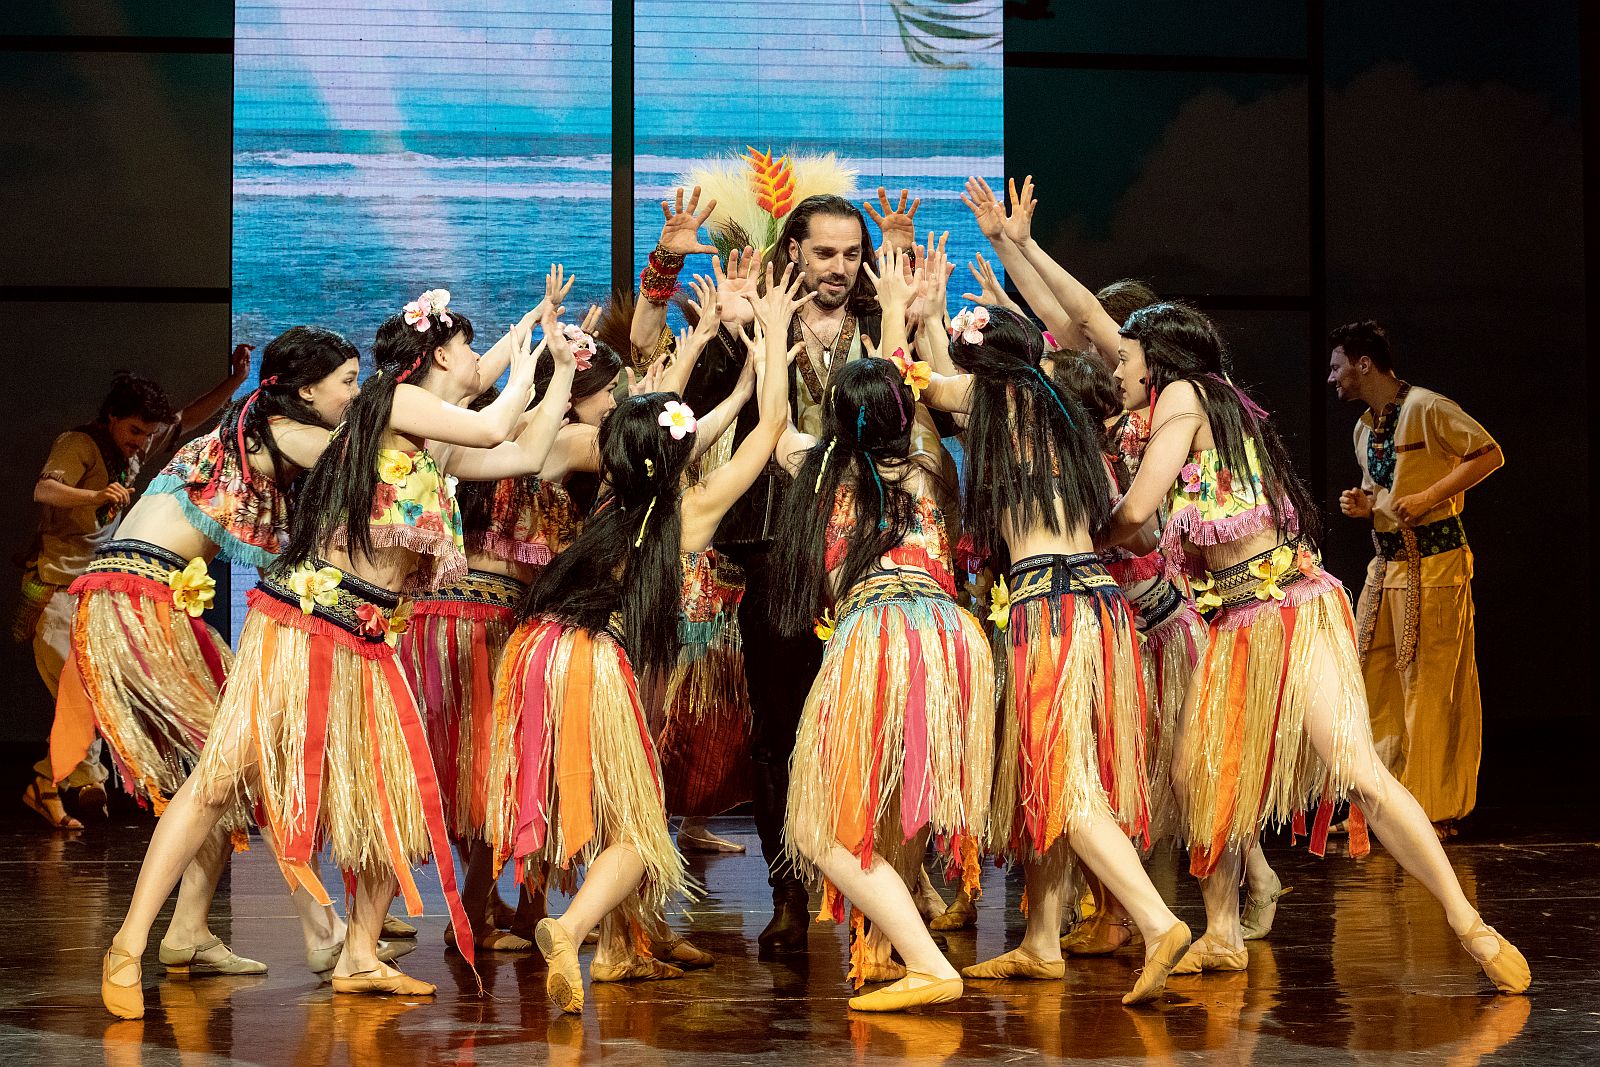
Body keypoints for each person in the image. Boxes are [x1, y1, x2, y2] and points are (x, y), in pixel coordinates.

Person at [100, 287, 574, 1019]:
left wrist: (556, 361)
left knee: (390, 794)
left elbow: (526, 447)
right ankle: (128, 944)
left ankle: (358, 956)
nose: (478, 360)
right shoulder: (392, 401)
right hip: (302, 623)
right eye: (468, 348)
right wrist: (532, 347)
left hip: (368, 634)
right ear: (437, 355)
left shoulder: (429, 443)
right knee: (219, 782)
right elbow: (492, 420)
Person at [1106, 301, 1528, 995]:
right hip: (1236, 621)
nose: (1116, 370)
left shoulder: (1182, 393)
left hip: (1289, 611)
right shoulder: (1207, 406)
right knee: (1196, 772)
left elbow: (1132, 513)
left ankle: (1469, 924)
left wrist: (1071, 544)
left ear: (1157, 359)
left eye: (1124, 358)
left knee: (1358, 770)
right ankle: (1222, 932)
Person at [486, 264, 803, 1014]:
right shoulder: (689, 511)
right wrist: (772, 346)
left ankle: (617, 944)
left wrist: (718, 380)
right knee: (639, 827)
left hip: (536, 649)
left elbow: (674, 427)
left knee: (609, 805)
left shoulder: (612, 489)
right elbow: (769, 433)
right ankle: (572, 929)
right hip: (594, 657)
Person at [627, 187, 933, 957]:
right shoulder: (751, 319)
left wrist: (911, 307)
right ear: (792, 249)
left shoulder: (882, 321)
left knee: (876, 727)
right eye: (824, 252)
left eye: (852, 254)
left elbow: (936, 413)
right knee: (779, 730)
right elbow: (647, 363)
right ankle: (788, 892)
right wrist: (666, 269)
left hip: (867, 560)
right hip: (774, 552)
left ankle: (886, 893)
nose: (839, 267)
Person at [914, 271, 1191, 1006]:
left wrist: (916, 313)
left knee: (1064, 784)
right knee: (1050, 776)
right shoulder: (1060, 405)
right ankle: (1040, 941)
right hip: (1098, 604)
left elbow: (919, 381)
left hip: (1051, 611)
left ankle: (1157, 921)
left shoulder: (997, 399)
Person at [51, 326, 360, 981]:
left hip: (137, 599)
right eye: (348, 383)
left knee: (225, 774)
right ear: (306, 390)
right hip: (141, 604)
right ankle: (324, 931)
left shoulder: (244, 435)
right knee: (239, 762)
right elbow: (374, 457)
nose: (355, 396)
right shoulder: (284, 431)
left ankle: (189, 930)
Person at [769, 261, 993, 1013]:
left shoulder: (816, 469)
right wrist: (898, 310)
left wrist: (773, 338)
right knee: (897, 799)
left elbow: (772, 425)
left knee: (820, 828)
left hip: (878, 635)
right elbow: (905, 390)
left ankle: (927, 962)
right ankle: (892, 949)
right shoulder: (927, 463)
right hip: (948, 635)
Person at [19, 355, 249, 829]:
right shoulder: (79, 444)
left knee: (95, 693)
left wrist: (236, 380)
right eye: (135, 431)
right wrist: (95, 496)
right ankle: (81, 781)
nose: (143, 441)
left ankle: (51, 784)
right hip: (58, 594)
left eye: (148, 434)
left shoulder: (135, 447)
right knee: (86, 694)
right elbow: (45, 490)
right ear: (112, 418)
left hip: (95, 594)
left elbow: (189, 416)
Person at [1329, 320, 1502, 837]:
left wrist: (1429, 497)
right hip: (1385, 568)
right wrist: (1364, 505)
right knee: (1373, 683)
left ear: (1364, 364)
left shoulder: (1427, 407)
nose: (1332, 377)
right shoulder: (1364, 428)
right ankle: (1379, 808)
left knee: (1428, 687)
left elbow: (1488, 453)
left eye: (1337, 366)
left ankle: (1430, 810)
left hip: (1436, 564)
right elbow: (1381, 491)